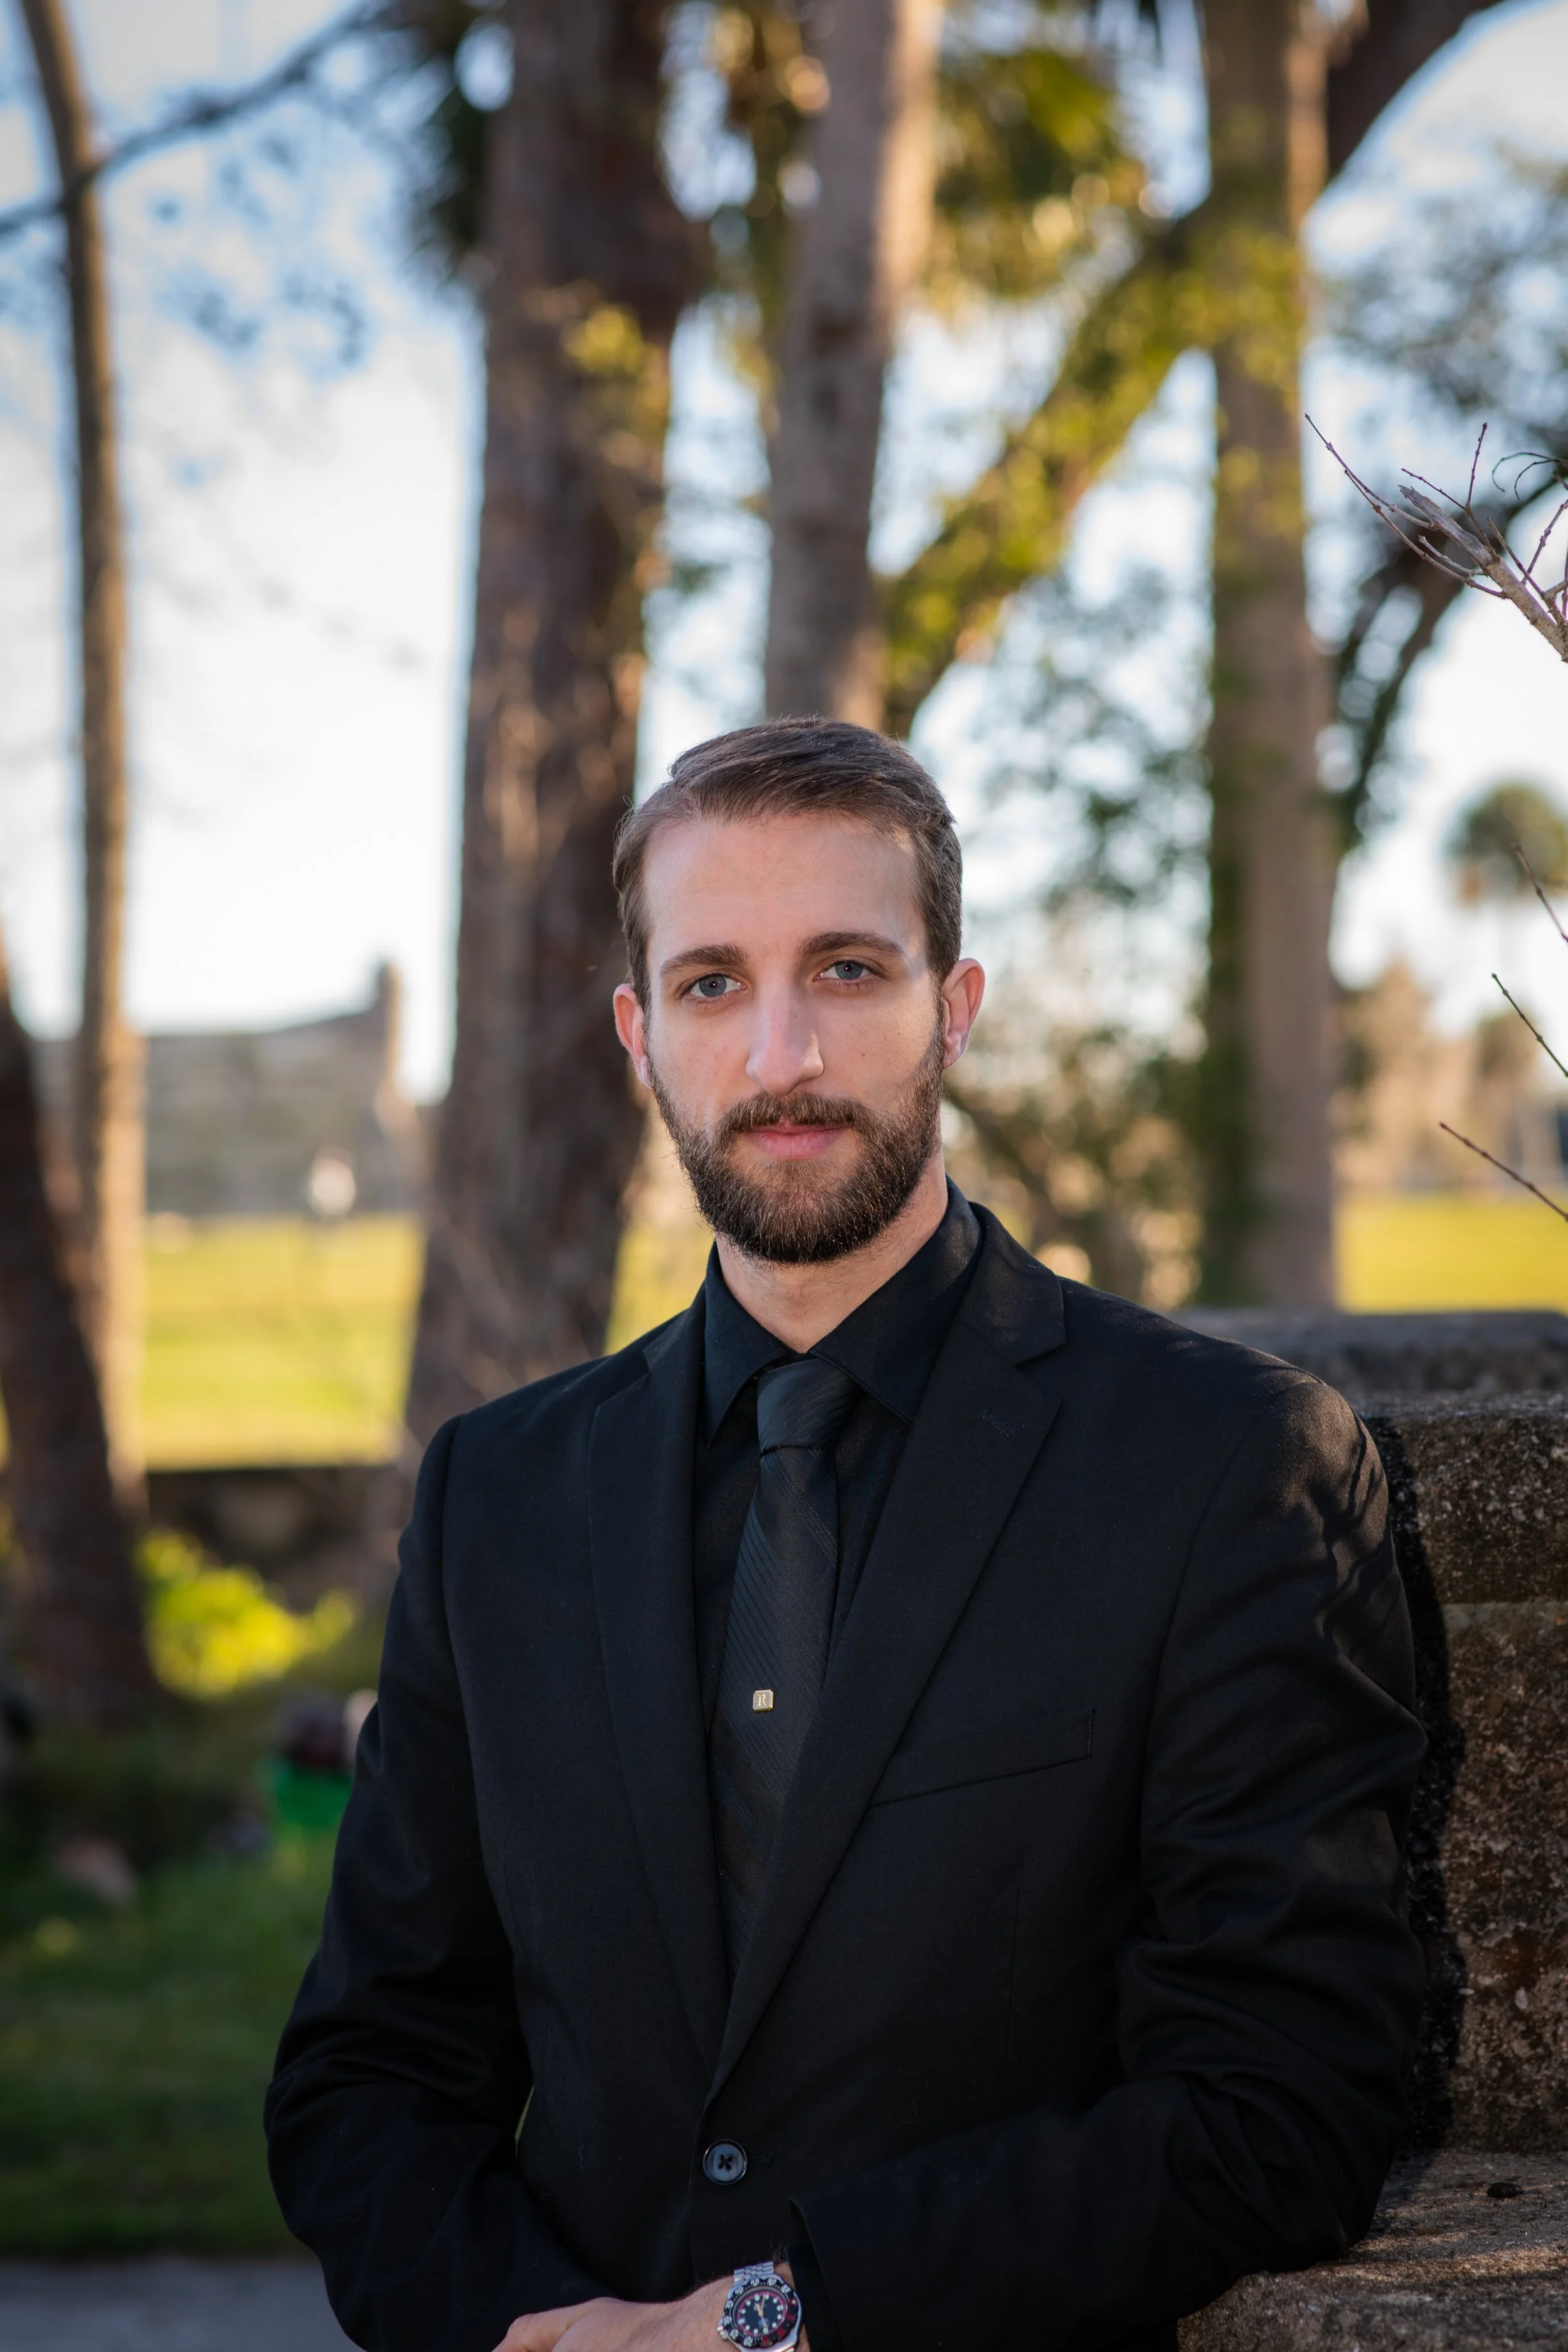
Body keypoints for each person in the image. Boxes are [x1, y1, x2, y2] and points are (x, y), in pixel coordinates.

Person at [266, 719, 1426, 2352]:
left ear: (952, 1006)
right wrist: (527, 2327)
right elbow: (369, 2069)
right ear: (639, 1031)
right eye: (713, 983)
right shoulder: (495, 1497)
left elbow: (1284, 2094)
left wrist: (776, 2318)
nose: (780, 1052)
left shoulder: (1224, 1467)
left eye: (849, 970)